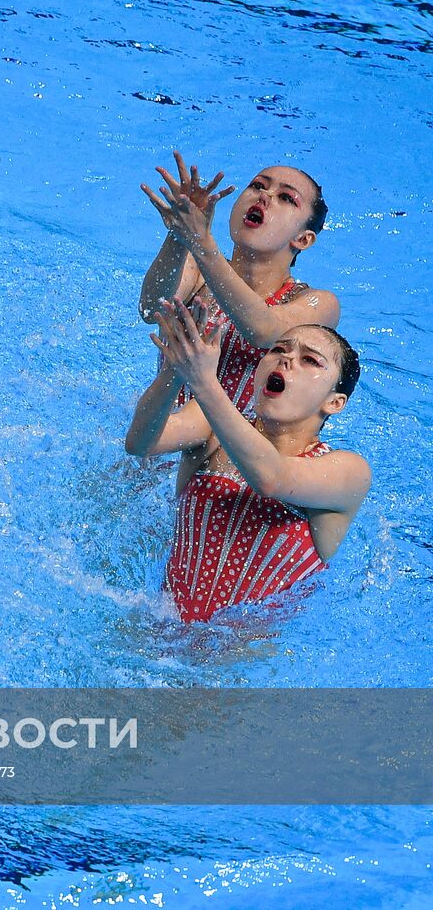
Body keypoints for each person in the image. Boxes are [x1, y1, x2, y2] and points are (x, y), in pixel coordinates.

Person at [124, 299, 370, 622]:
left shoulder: (347, 472)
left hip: (239, 664)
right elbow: (139, 442)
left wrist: (204, 383)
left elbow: (271, 477)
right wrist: (175, 369)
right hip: (154, 629)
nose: (286, 361)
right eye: (279, 350)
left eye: (309, 360)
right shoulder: (210, 423)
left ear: (335, 402)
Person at [140, 153, 338, 411]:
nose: (264, 196)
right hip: (156, 436)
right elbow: (150, 309)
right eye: (258, 185)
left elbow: (263, 330)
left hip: (230, 450)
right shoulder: (195, 267)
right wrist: (180, 235)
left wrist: (201, 244)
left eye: (286, 198)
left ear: (303, 239)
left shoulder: (318, 304)